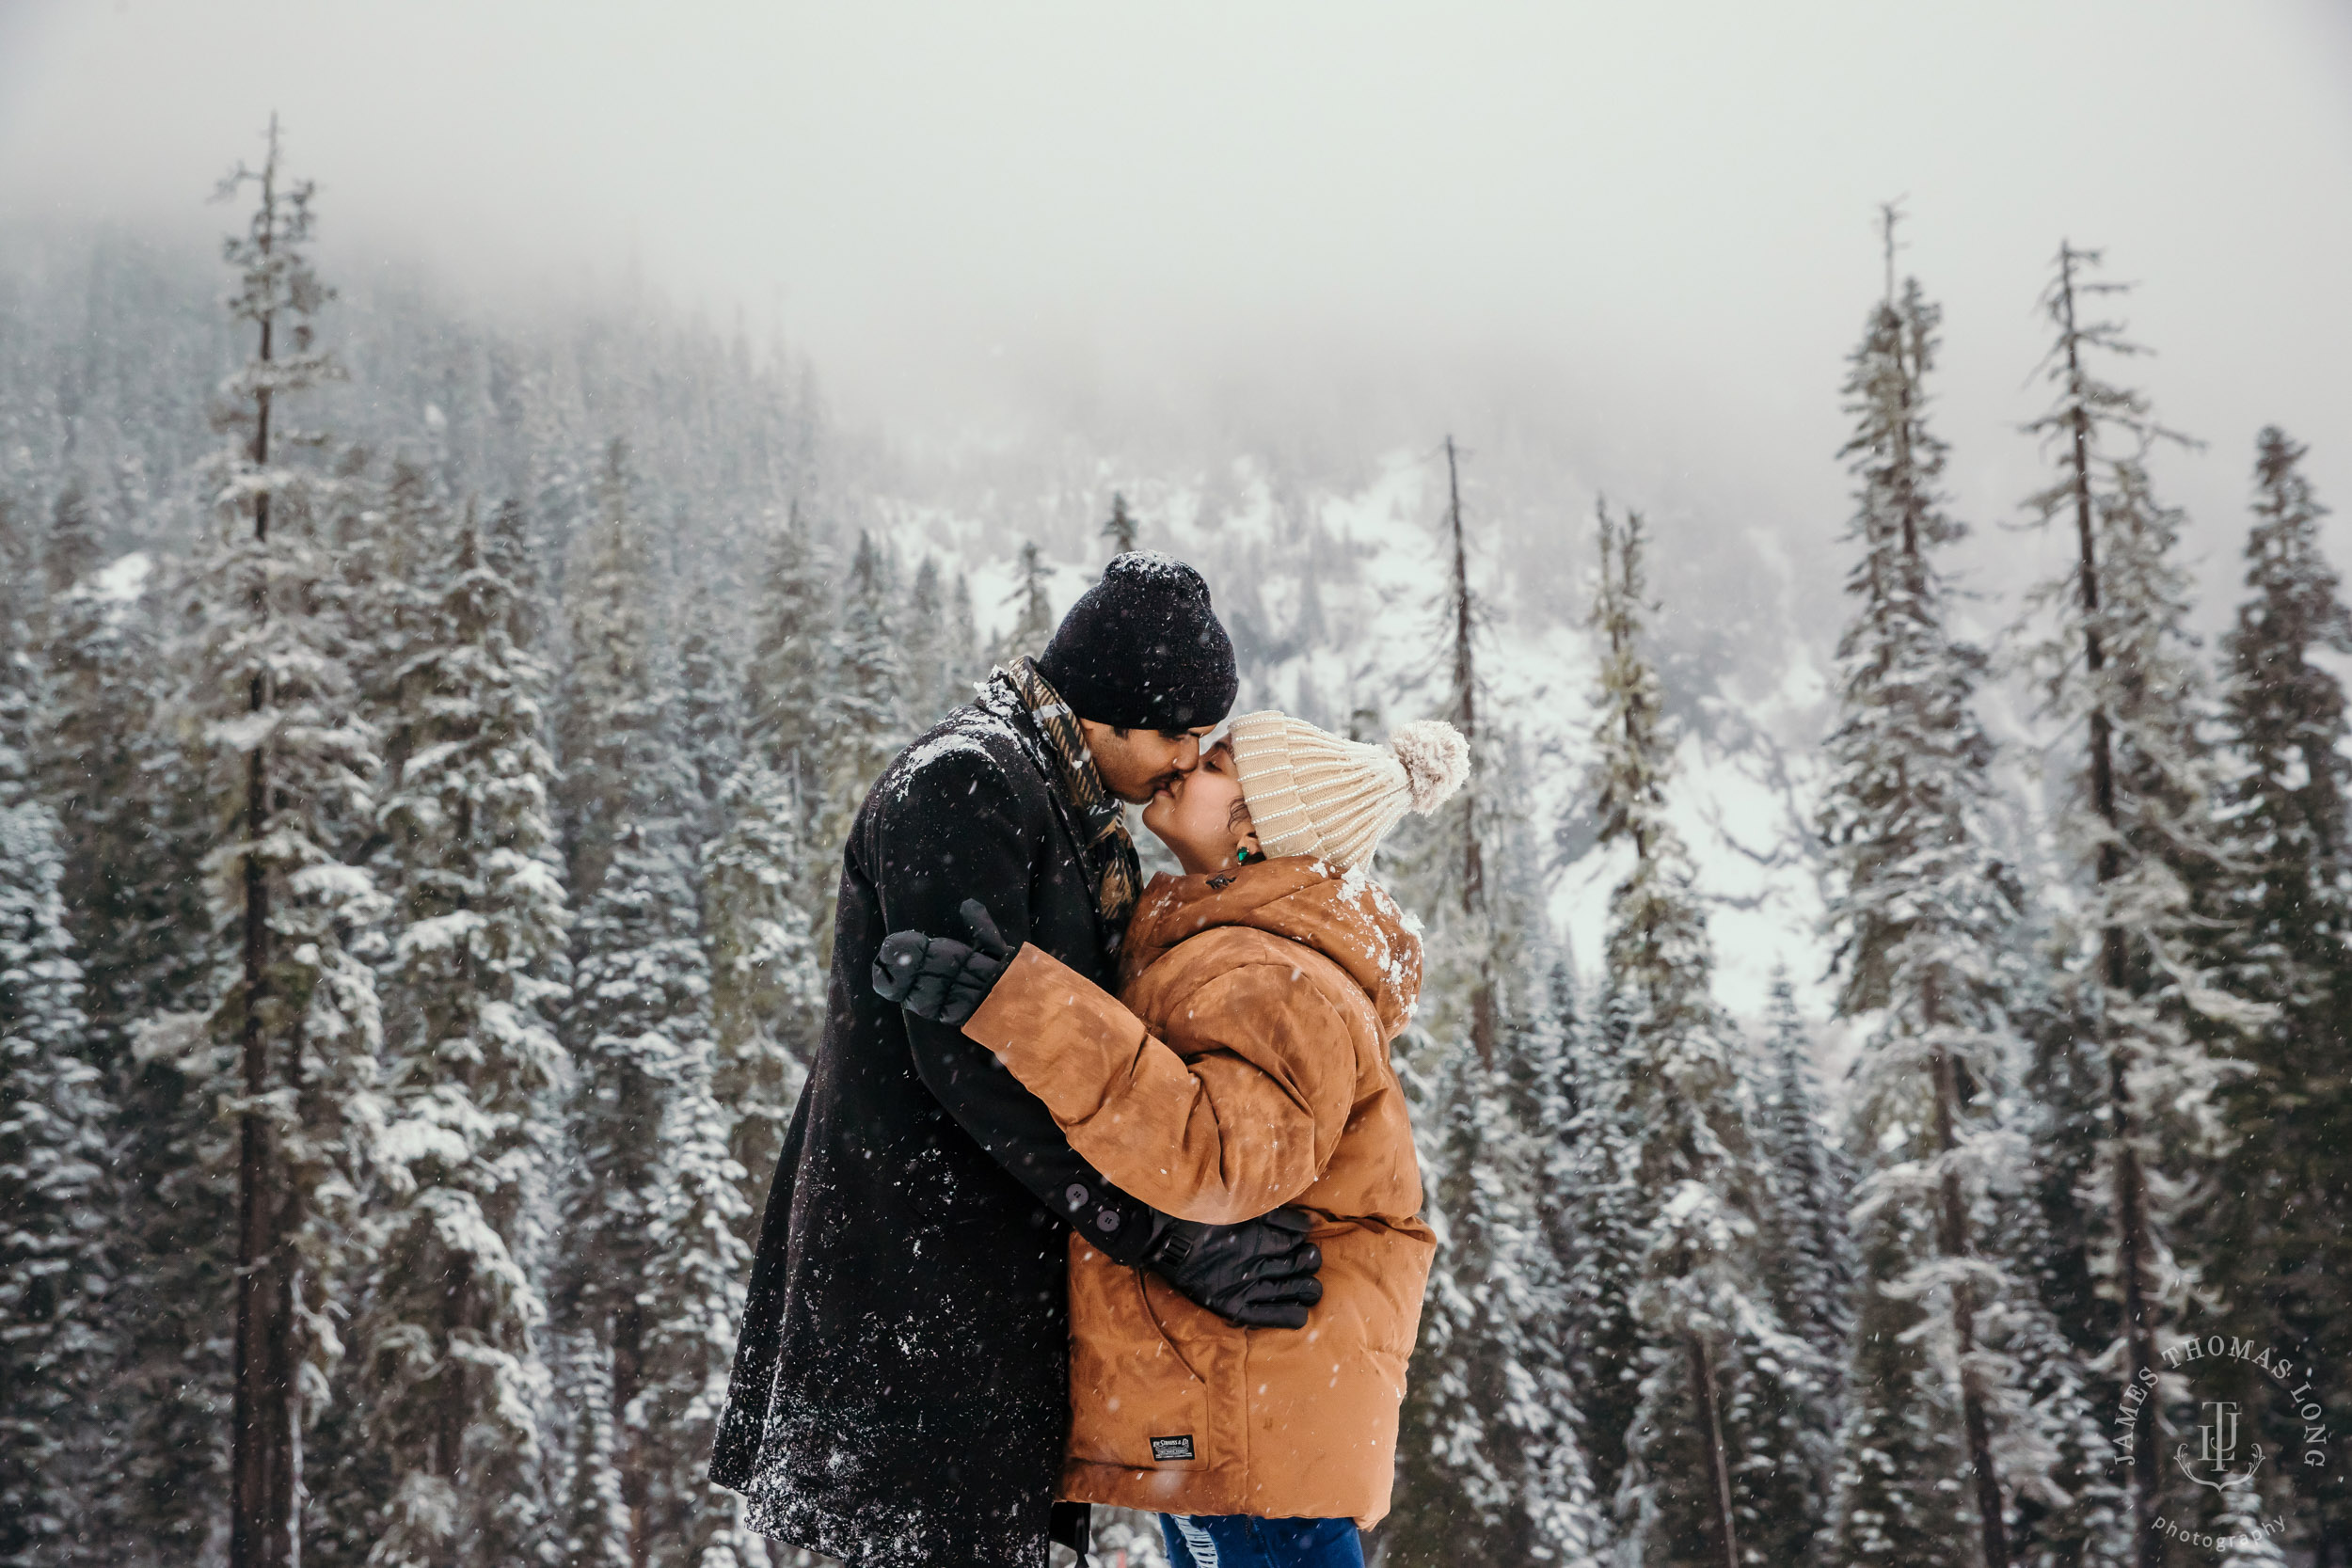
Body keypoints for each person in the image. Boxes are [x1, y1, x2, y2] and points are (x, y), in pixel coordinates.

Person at [710, 555, 1327, 1568]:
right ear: (1114, 712)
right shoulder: (963, 784)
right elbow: (975, 1067)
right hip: (911, 1308)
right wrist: (1166, 1233)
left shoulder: (1059, 801)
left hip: (974, 1304)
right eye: (1178, 732)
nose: (1185, 760)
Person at [878, 711, 1470, 1568]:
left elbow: (1217, 1159)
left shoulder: (1277, 974)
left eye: (1220, 761)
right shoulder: (1232, 949)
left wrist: (1019, 1005)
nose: (1185, 763)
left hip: (1256, 1410)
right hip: (1235, 1402)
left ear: (1257, 832)